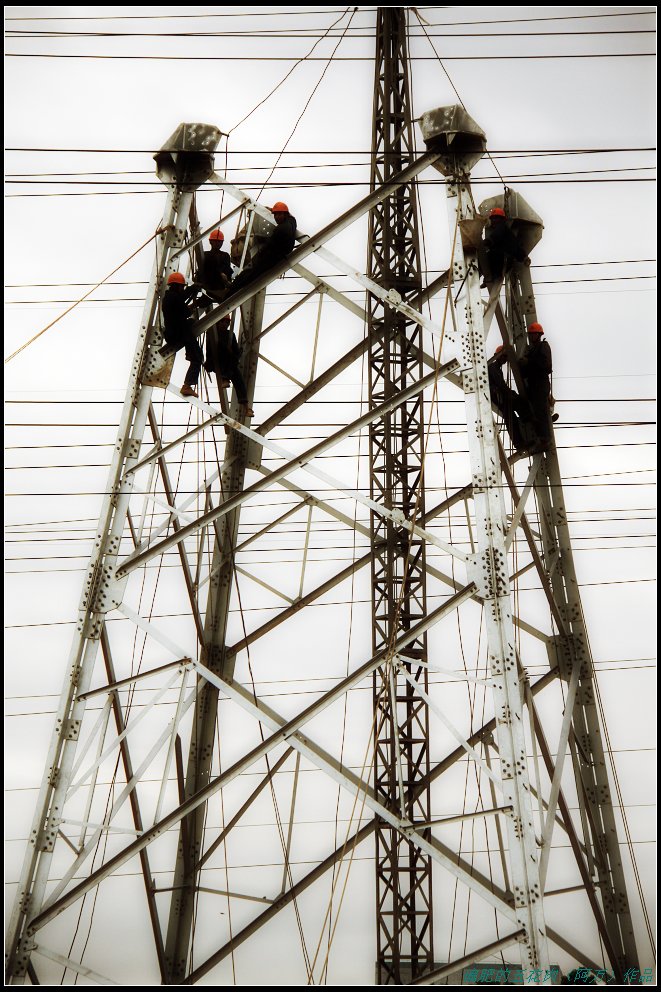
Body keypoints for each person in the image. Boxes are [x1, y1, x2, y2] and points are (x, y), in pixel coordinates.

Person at [227, 202, 297, 296]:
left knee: (248, 274)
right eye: (275, 214)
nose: (276, 217)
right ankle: (233, 289)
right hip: (280, 254)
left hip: (269, 258)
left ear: (285, 214)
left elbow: (269, 245)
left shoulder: (280, 229)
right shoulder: (292, 222)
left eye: (278, 214)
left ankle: (230, 292)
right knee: (250, 274)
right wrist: (271, 209)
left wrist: (258, 255)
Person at [160, 272, 205, 398]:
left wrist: (191, 290)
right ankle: (187, 385)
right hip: (180, 333)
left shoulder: (169, 297)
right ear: (177, 286)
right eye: (182, 287)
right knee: (198, 357)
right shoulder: (175, 298)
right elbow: (184, 311)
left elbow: (181, 300)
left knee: (190, 324)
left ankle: (189, 354)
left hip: (173, 333)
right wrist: (193, 302)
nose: (182, 289)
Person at [205, 315, 254, 418]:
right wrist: (227, 349)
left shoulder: (230, 334)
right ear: (218, 323)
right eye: (222, 322)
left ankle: (246, 407)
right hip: (217, 361)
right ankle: (225, 378)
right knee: (228, 356)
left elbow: (235, 351)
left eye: (227, 323)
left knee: (239, 380)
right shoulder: (212, 333)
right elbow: (210, 349)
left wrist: (237, 352)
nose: (225, 325)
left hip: (229, 364)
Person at [519, 322, 553, 450]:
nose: (531, 337)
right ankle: (540, 436)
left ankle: (545, 440)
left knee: (540, 412)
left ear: (539, 335)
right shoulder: (532, 350)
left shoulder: (543, 346)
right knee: (532, 410)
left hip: (540, 383)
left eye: (533, 334)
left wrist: (529, 362)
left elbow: (546, 365)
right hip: (533, 385)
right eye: (530, 335)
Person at [478, 207, 530, 288]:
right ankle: (487, 278)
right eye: (493, 218)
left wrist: (485, 243)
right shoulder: (506, 233)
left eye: (496, 218)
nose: (494, 220)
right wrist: (523, 257)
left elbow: (514, 246)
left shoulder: (502, 228)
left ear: (502, 219)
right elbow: (516, 246)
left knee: (485, 257)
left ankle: (485, 278)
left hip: (502, 260)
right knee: (486, 257)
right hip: (502, 262)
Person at [488, 345, 527, 452]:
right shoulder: (492, 367)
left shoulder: (497, 369)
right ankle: (520, 441)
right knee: (511, 416)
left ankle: (522, 438)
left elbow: (502, 385)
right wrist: (511, 394)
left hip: (500, 396)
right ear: (498, 356)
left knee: (512, 414)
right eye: (504, 357)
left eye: (506, 358)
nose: (505, 360)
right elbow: (501, 385)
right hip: (499, 397)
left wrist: (511, 393)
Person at [197, 228, 233, 300]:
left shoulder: (225, 255)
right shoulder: (206, 255)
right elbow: (206, 268)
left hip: (221, 284)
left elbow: (226, 268)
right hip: (210, 281)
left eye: (220, 242)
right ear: (210, 242)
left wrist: (224, 276)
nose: (218, 243)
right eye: (216, 241)